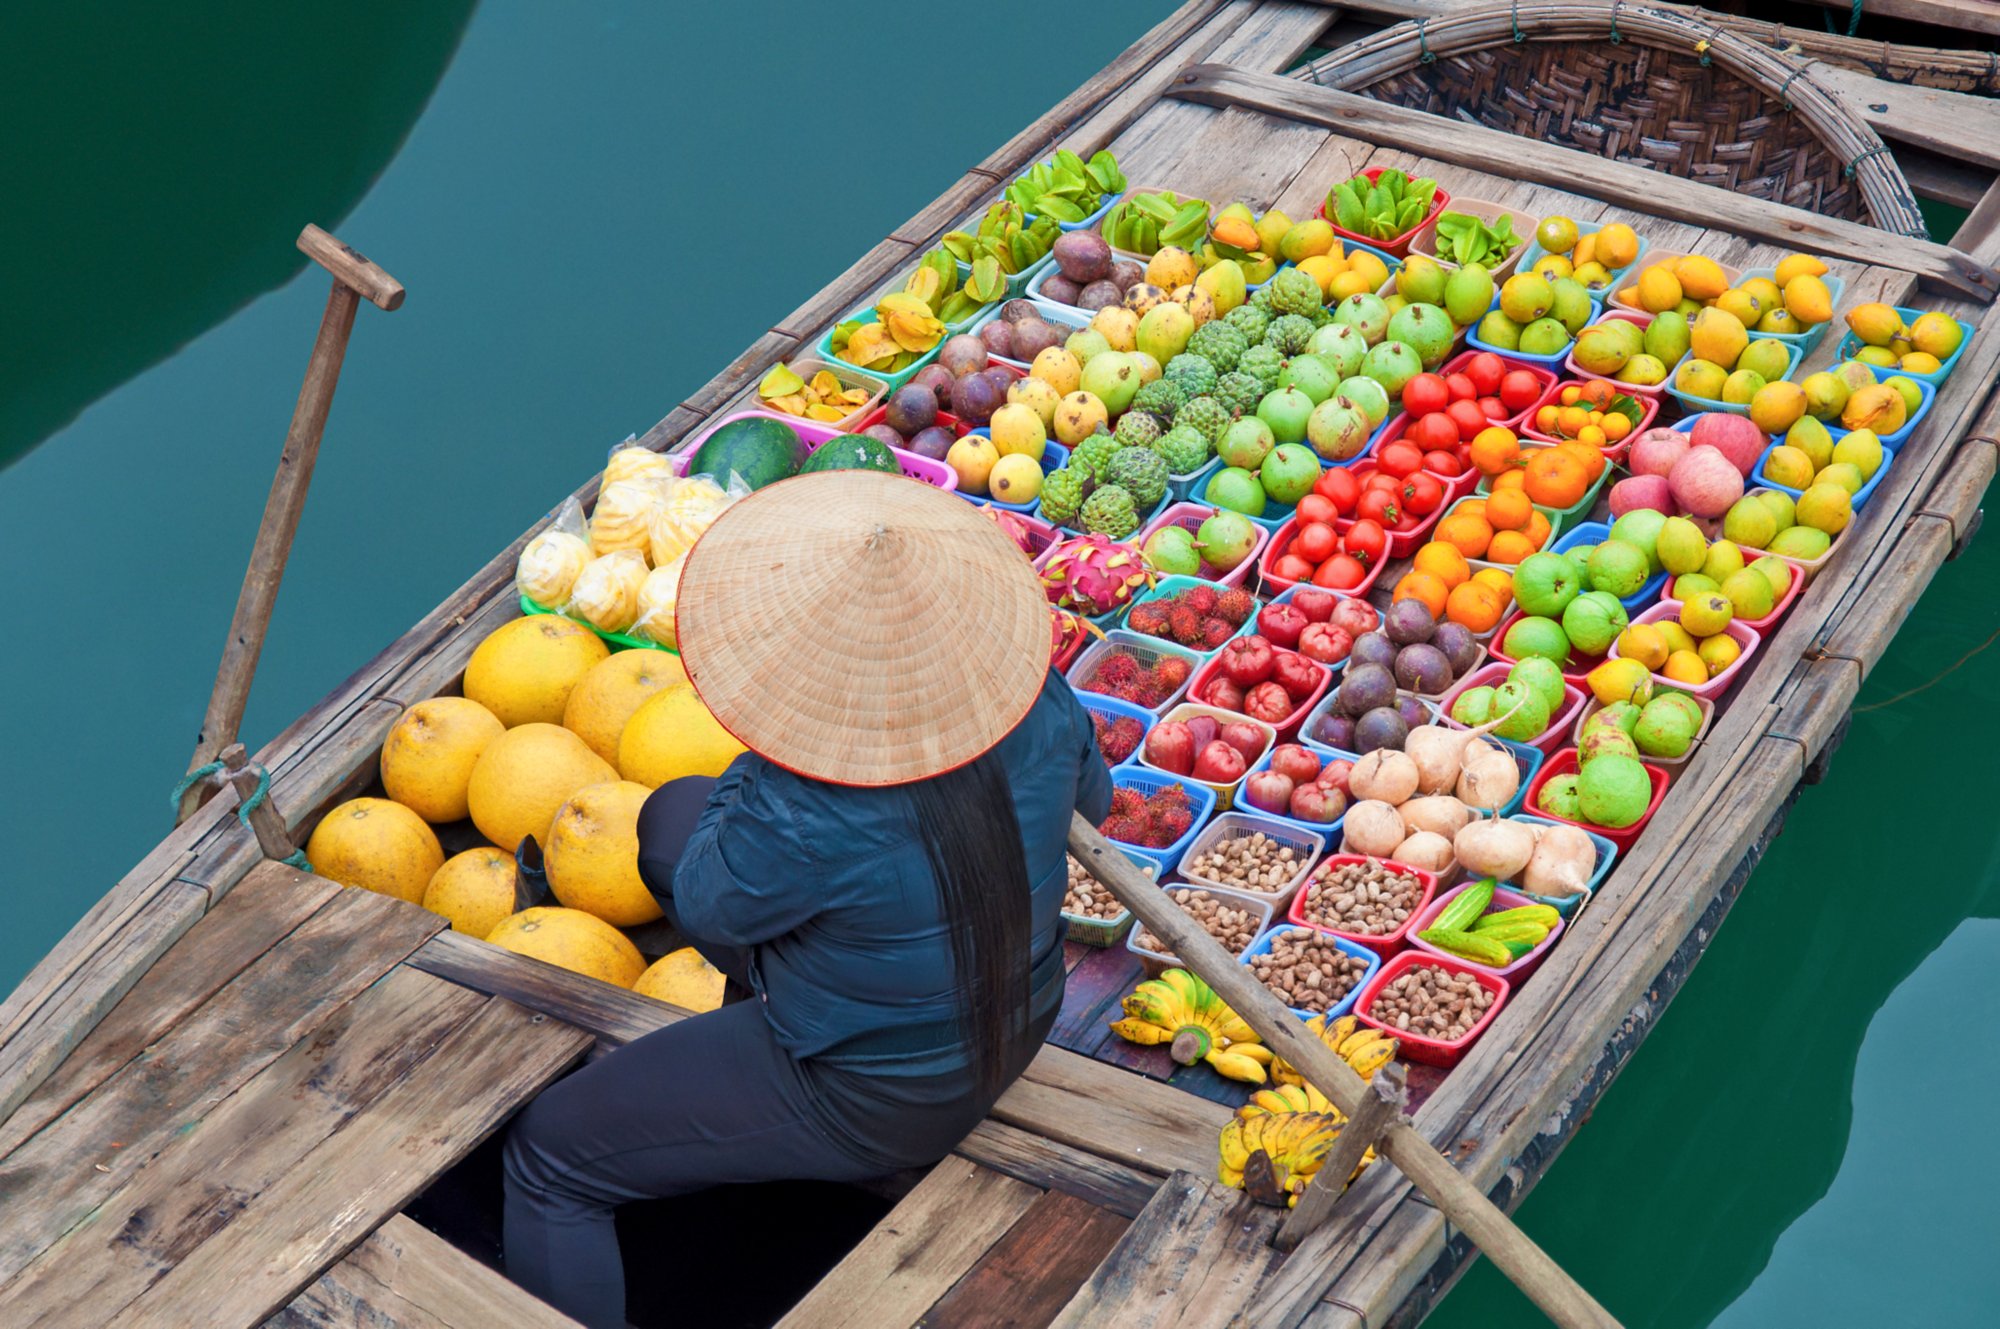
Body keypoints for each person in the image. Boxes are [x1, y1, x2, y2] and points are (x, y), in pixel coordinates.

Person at [501, 469, 1112, 1327]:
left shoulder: (801, 803)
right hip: (1022, 1007)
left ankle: (766, 1103)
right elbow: (1092, 804)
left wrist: (758, 773)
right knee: (670, 817)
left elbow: (711, 908)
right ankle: (748, 1087)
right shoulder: (1035, 697)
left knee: (548, 1159)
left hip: (879, 1092)